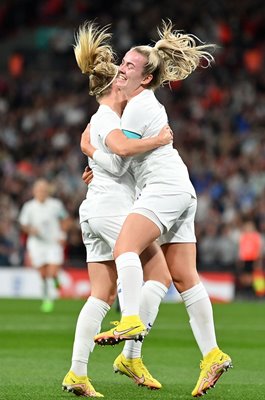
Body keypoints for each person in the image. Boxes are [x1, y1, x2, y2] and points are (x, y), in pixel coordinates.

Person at [84, 20, 232, 397]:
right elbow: (122, 159)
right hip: (179, 188)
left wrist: (91, 152)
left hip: (163, 188)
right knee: (182, 276)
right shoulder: (143, 104)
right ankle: (212, 354)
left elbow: (119, 158)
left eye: (130, 67)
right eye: (123, 63)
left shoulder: (136, 107)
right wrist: (106, 160)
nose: (122, 68)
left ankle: (131, 320)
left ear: (145, 79)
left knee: (124, 248)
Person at [62, 22, 173, 397]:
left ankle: (77, 374)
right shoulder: (109, 118)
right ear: (113, 87)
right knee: (160, 273)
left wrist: (93, 154)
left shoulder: (101, 119)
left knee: (100, 294)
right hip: (111, 208)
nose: (125, 86)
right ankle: (131, 345)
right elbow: (122, 158)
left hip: (93, 209)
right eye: (121, 79)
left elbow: (112, 161)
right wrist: (98, 152)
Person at [18, 178, 71, 312]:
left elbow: (65, 219)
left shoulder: (55, 205)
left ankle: (52, 289)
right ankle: (47, 295)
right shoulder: (29, 207)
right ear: (34, 191)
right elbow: (23, 224)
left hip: (53, 243)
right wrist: (30, 230)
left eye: (44, 190)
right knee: (42, 274)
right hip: (36, 244)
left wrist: (63, 235)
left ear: (47, 191)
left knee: (51, 272)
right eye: (39, 190)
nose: (41, 192)